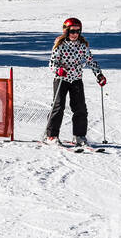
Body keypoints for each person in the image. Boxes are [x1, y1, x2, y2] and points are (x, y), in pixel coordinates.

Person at [43, 16, 107, 147]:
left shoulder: (82, 46)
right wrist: (58, 69)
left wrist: (99, 75)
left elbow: (90, 61)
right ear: (66, 31)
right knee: (58, 107)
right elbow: (52, 63)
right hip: (61, 79)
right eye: (72, 31)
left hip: (76, 79)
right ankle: (51, 135)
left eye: (78, 31)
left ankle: (79, 136)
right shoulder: (60, 46)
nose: (75, 34)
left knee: (80, 108)